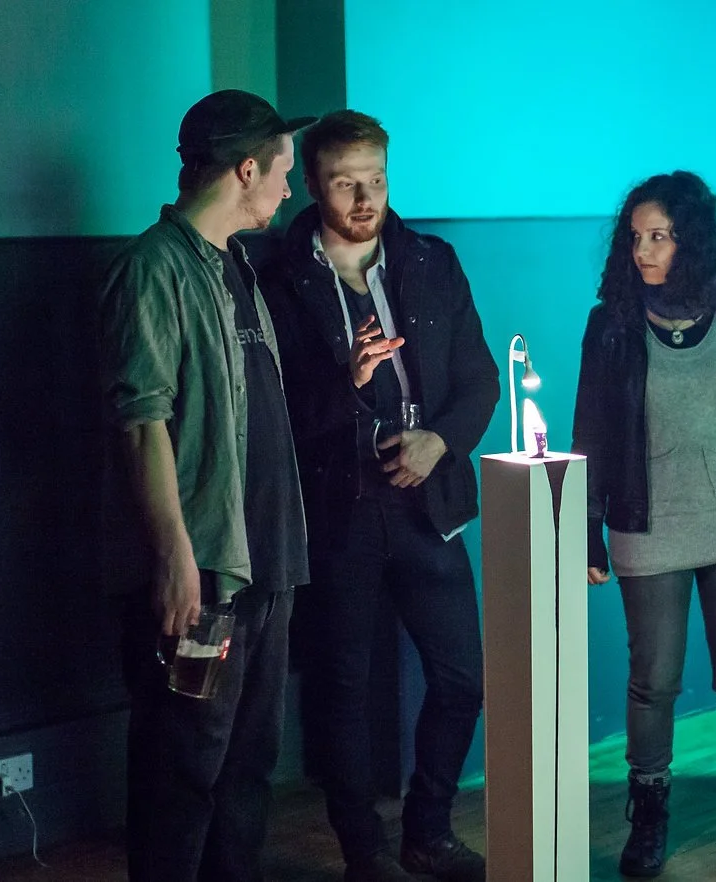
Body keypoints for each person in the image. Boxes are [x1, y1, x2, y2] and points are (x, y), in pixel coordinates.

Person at [259, 110, 498, 882]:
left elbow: (481, 380)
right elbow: (277, 415)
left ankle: (428, 829)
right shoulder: (278, 276)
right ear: (315, 184)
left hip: (428, 504)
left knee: (465, 678)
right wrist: (349, 381)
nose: (365, 197)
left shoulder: (431, 260)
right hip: (339, 509)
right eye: (343, 181)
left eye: (378, 179)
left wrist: (441, 441)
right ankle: (364, 851)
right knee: (343, 686)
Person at [96, 90, 314, 881]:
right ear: (246, 169)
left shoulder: (239, 267)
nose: (290, 191)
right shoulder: (153, 269)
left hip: (266, 567)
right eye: (282, 173)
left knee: (248, 767)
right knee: (182, 765)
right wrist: (175, 559)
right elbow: (141, 423)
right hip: (207, 577)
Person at [572, 171, 716, 882]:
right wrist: (586, 530)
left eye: (660, 237)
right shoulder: (611, 323)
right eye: (636, 237)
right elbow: (591, 433)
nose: (643, 250)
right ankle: (648, 820)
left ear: (694, 241)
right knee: (653, 681)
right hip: (648, 525)